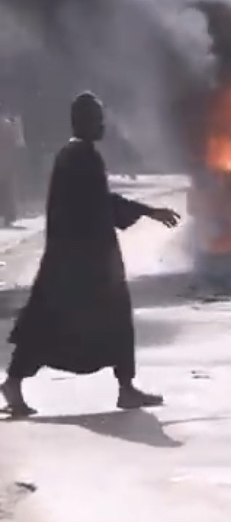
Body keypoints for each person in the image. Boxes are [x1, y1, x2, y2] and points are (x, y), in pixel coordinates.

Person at [1, 93, 181, 417]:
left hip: (79, 257)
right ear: (83, 121)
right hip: (79, 260)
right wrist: (147, 210)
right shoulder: (78, 156)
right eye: (98, 118)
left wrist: (145, 210)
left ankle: (125, 388)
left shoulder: (78, 154)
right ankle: (14, 383)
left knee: (101, 320)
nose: (103, 124)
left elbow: (101, 201)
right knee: (49, 321)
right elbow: (100, 205)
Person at [0, 110, 22, 226]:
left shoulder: (7, 125)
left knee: (7, 190)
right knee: (8, 190)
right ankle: (8, 216)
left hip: (6, 161)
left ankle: (7, 216)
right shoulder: (8, 125)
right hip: (7, 161)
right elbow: (17, 144)